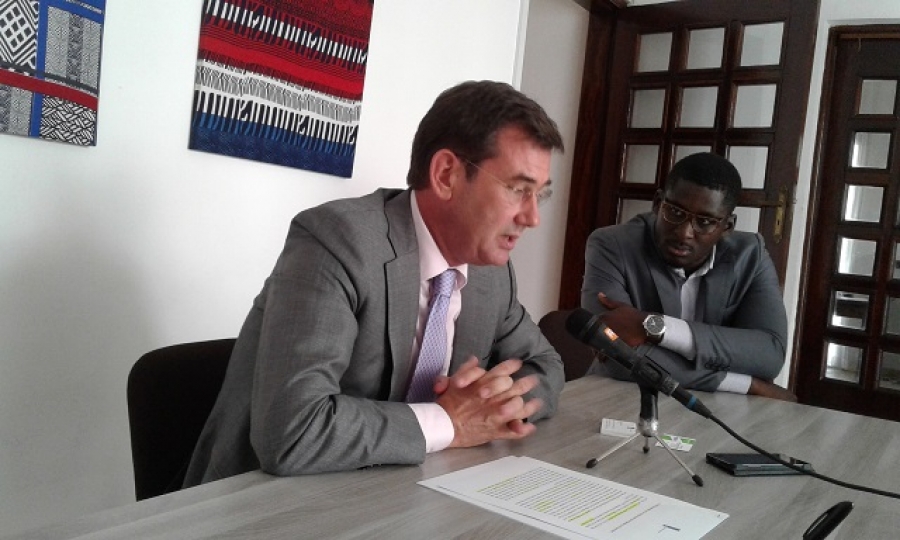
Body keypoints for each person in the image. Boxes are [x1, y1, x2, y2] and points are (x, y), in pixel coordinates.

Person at [183, 80, 566, 487]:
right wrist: (450, 421)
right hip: (263, 497)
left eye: (539, 195)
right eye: (518, 190)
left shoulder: (491, 274)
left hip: (397, 488)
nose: (532, 218)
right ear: (446, 174)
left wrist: (491, 406)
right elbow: (292, 429)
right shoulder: (337, 242)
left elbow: (546, 367)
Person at [580, 152, 796, 401]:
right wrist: (745, 384)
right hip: (623, 397)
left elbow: (769, 355)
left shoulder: (750, 256)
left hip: (720, 406)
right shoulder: (612, 245)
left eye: (704, 222)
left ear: (727, 226)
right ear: (657, 203)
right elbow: (614, 354)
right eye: (675, 212)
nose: (684, 233)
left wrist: (655, 327)